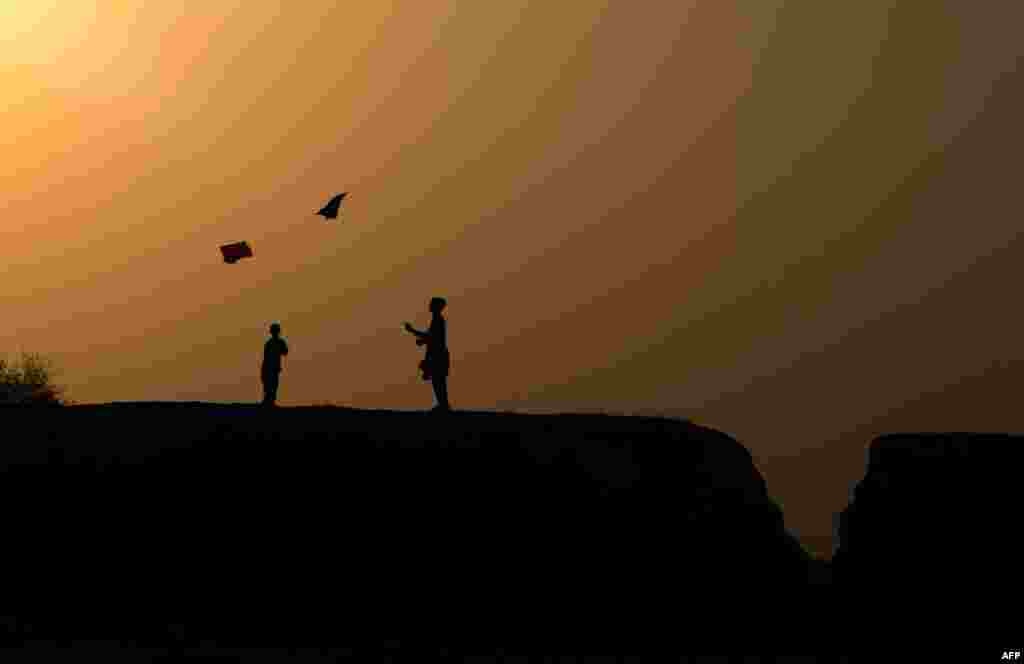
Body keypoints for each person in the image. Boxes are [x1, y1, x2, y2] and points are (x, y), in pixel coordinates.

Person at [404, 297, 451, 412]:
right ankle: (442, 405)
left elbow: (432, 338)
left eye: (431, 304)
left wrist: (412, 331)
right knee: (437, 381)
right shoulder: (437, 320)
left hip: (438, 355)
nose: (429, 305)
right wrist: (422, 340)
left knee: (438, 381)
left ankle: (443, 406)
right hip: (436, 354)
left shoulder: (438, 320)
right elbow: (432, 337)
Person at [261, 322, 289, 407]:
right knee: (270, 385)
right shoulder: (271, 343)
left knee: (272, 386)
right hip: (270, 367)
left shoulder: (272, 343)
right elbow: (284, 352)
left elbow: (285, 352)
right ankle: (269, 403)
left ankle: (270, 403)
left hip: (273, 368)